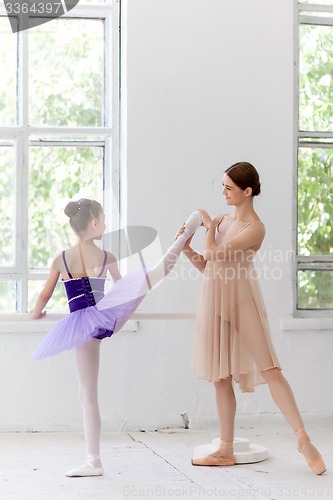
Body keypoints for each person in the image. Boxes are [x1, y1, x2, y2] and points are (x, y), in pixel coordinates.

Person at [30, 198, 202, 477]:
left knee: (87, 395)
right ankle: (182, 239)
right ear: (95, 223)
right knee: (152, 274)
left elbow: (45, 295)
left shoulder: (61, 258)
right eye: (104, 219)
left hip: (82, 325)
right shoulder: (106, 257)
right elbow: (122, 288)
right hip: (109, 315)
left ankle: (93, 461)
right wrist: (131, 298)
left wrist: (36, 312)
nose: (106, 224)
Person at [176, 162, 326, 475]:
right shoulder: (221, 220)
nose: (223, 193)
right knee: (220, 377)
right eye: (223, 186)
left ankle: (302, 438)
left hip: (241, 300)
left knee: (270, 368)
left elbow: (216, 253)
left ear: (247, 191)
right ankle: (225, 449)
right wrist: (187, 248)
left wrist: (207, 227)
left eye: (229, 187)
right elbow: (207, 265)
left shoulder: (254, 227)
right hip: (213, 299)